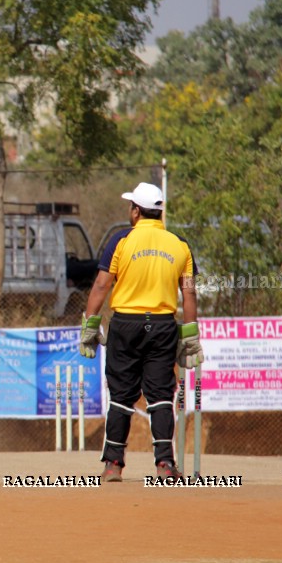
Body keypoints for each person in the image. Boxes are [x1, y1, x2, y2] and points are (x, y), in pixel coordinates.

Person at [78, 182, 202, 482]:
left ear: (136, 211)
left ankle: (113, 465)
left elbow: (101, 285)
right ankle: (164, 465)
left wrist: (90, 324)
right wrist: (190, 334)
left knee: (121, 395)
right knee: (160, 395)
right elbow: (189, 294)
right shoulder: (180, 244)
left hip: (126, 325)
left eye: (130, 206)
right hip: (162, 326)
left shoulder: (121, 240)